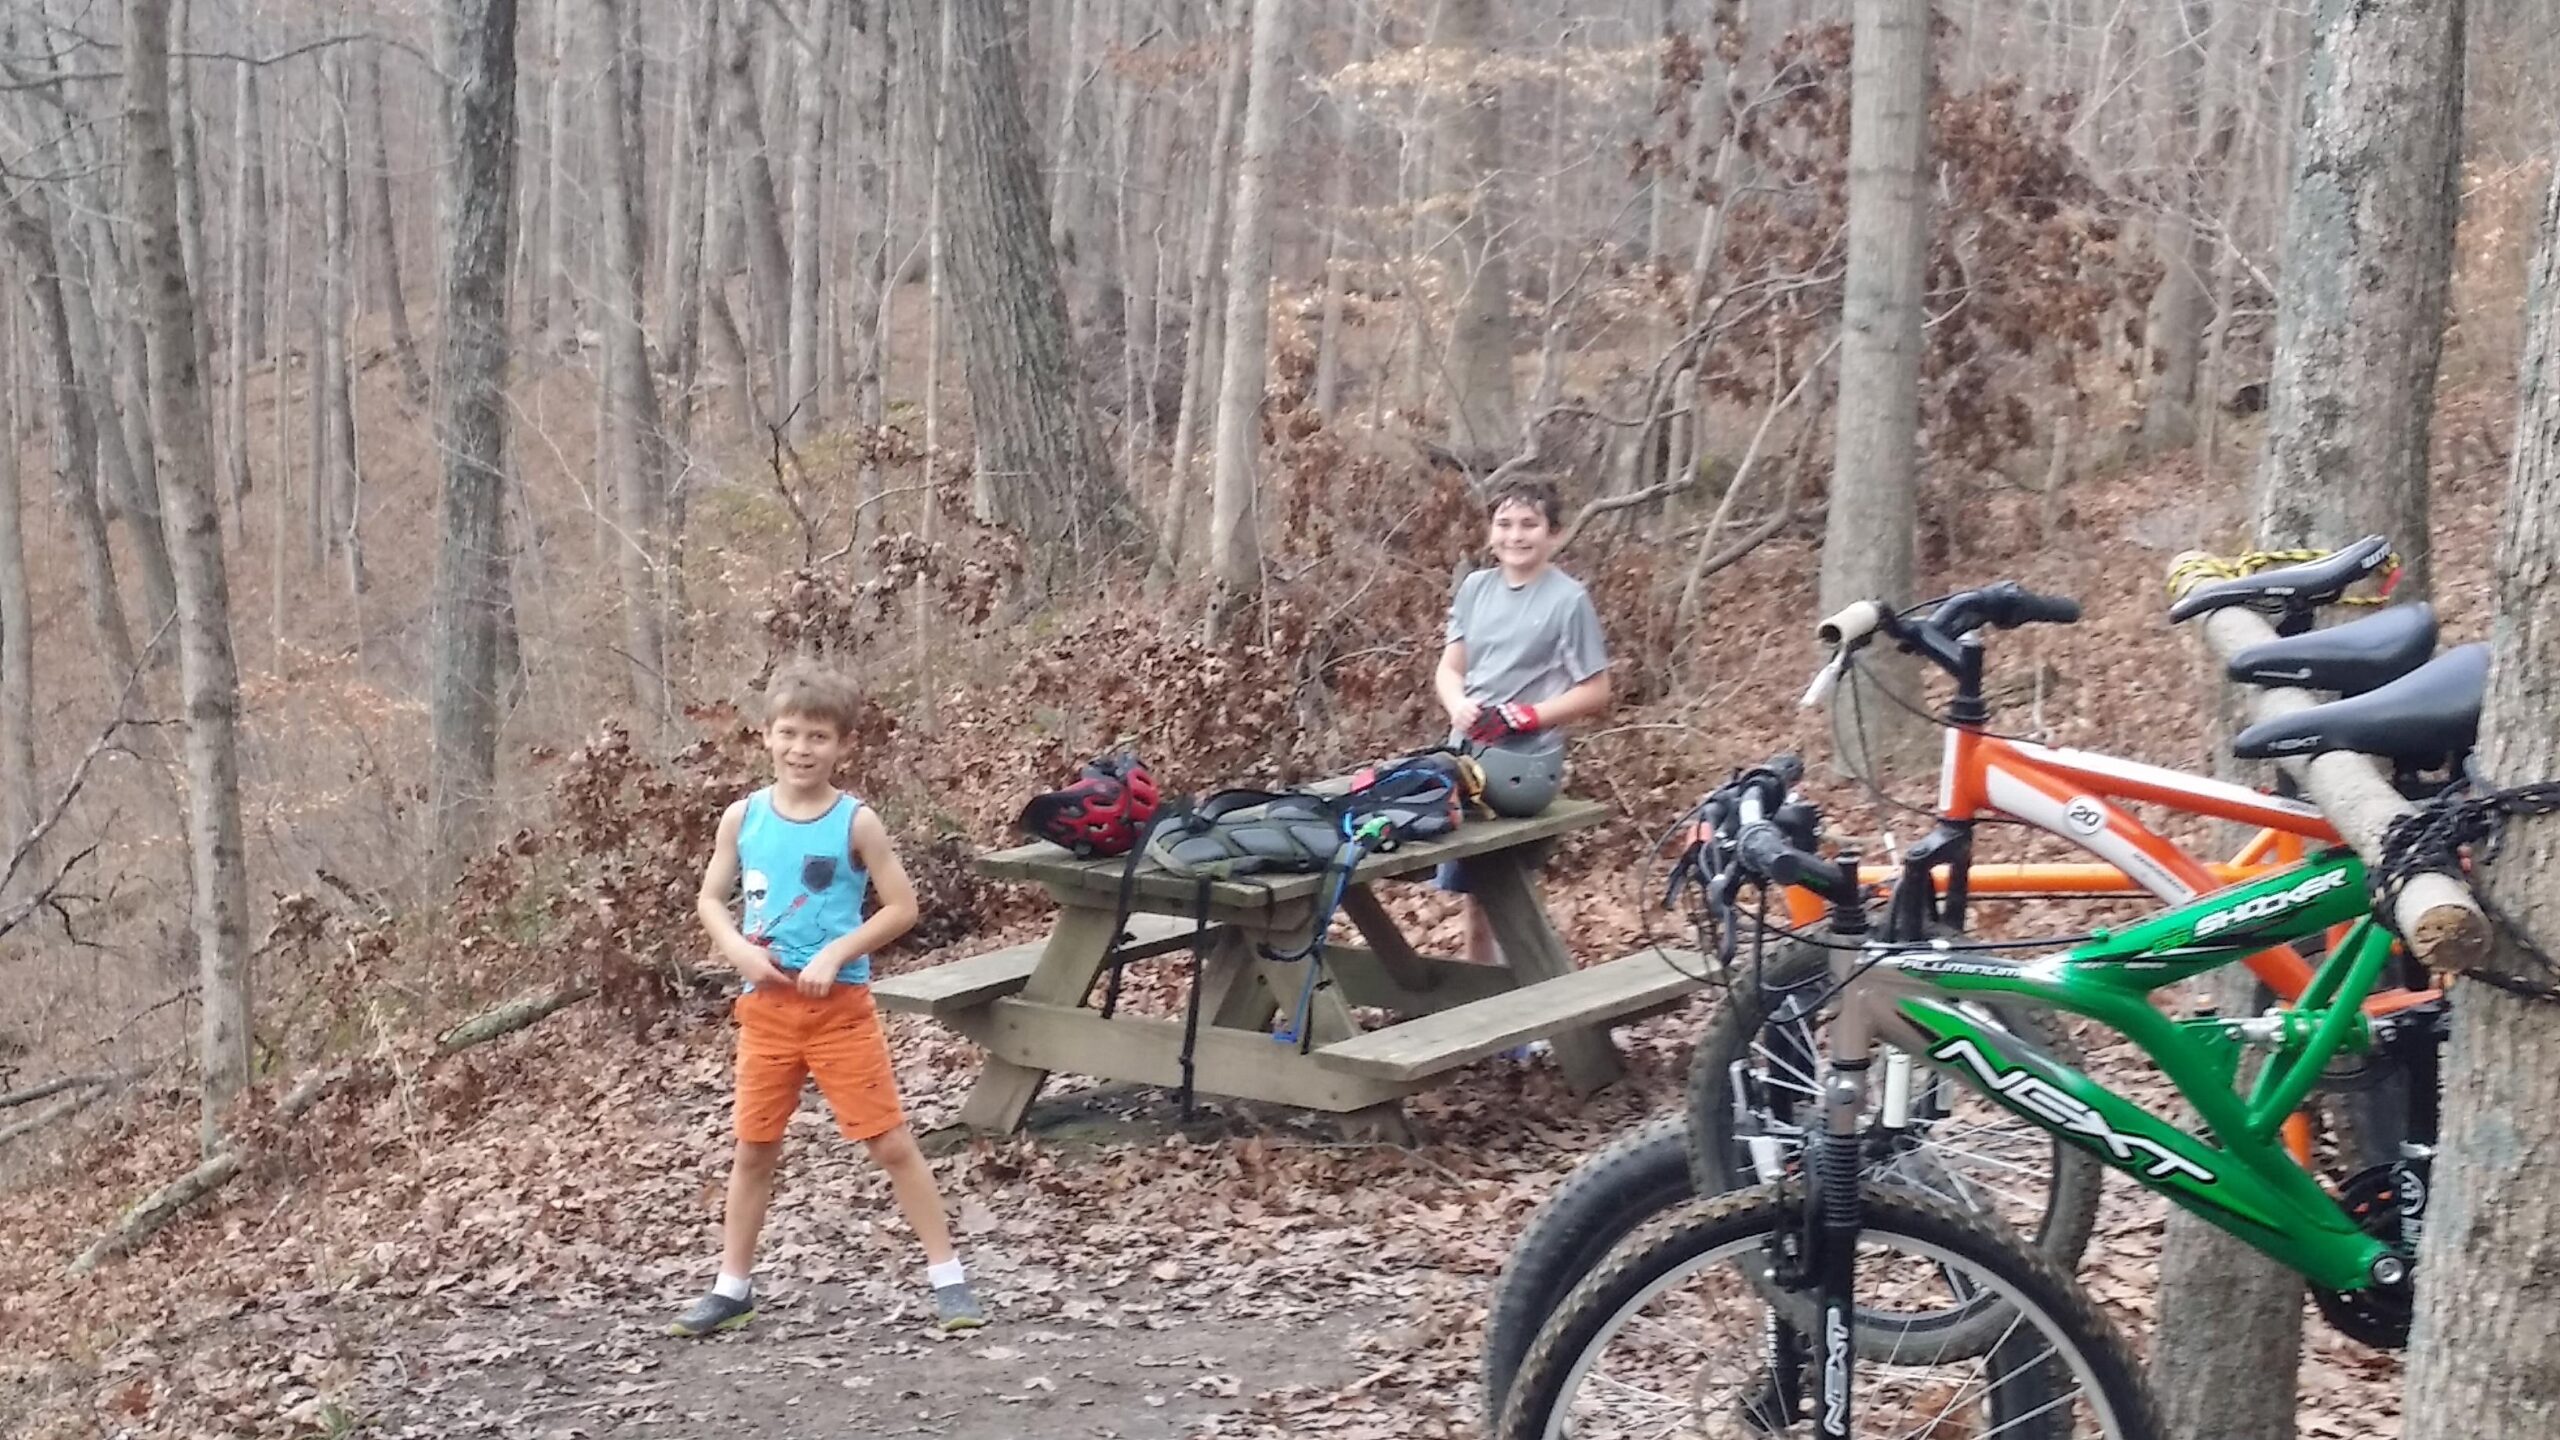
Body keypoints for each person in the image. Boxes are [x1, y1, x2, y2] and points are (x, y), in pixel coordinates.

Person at [668, 663, 986, 1337]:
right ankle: (732, 1288)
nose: (801, 748)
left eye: (817, 736)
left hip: (840, 1011)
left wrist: (837, 952)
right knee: (754, 1148)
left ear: (842, 744)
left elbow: (901, 907)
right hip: (767, 1010)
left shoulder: (857, 822)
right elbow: (708, 897)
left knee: (890, 1143)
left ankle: (949, 1279)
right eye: (789, 733)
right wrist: (737, 950)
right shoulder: (743, 817)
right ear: (766, 736)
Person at [1432, 477, 1613, 966]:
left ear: (1552, 533)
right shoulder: (1475, 588)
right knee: (1474, 902)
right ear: (1491, 533)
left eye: (1529, 525)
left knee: (1506, 889)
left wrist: (1530, 715)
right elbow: (1450, 668)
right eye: (1505, 524)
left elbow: (1596, 690)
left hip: (1525, 766)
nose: (1516, 535)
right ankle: (1480, 1007)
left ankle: (1527, 1019)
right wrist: (1457, 705)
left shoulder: (1568, 600)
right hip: (1466, 754)